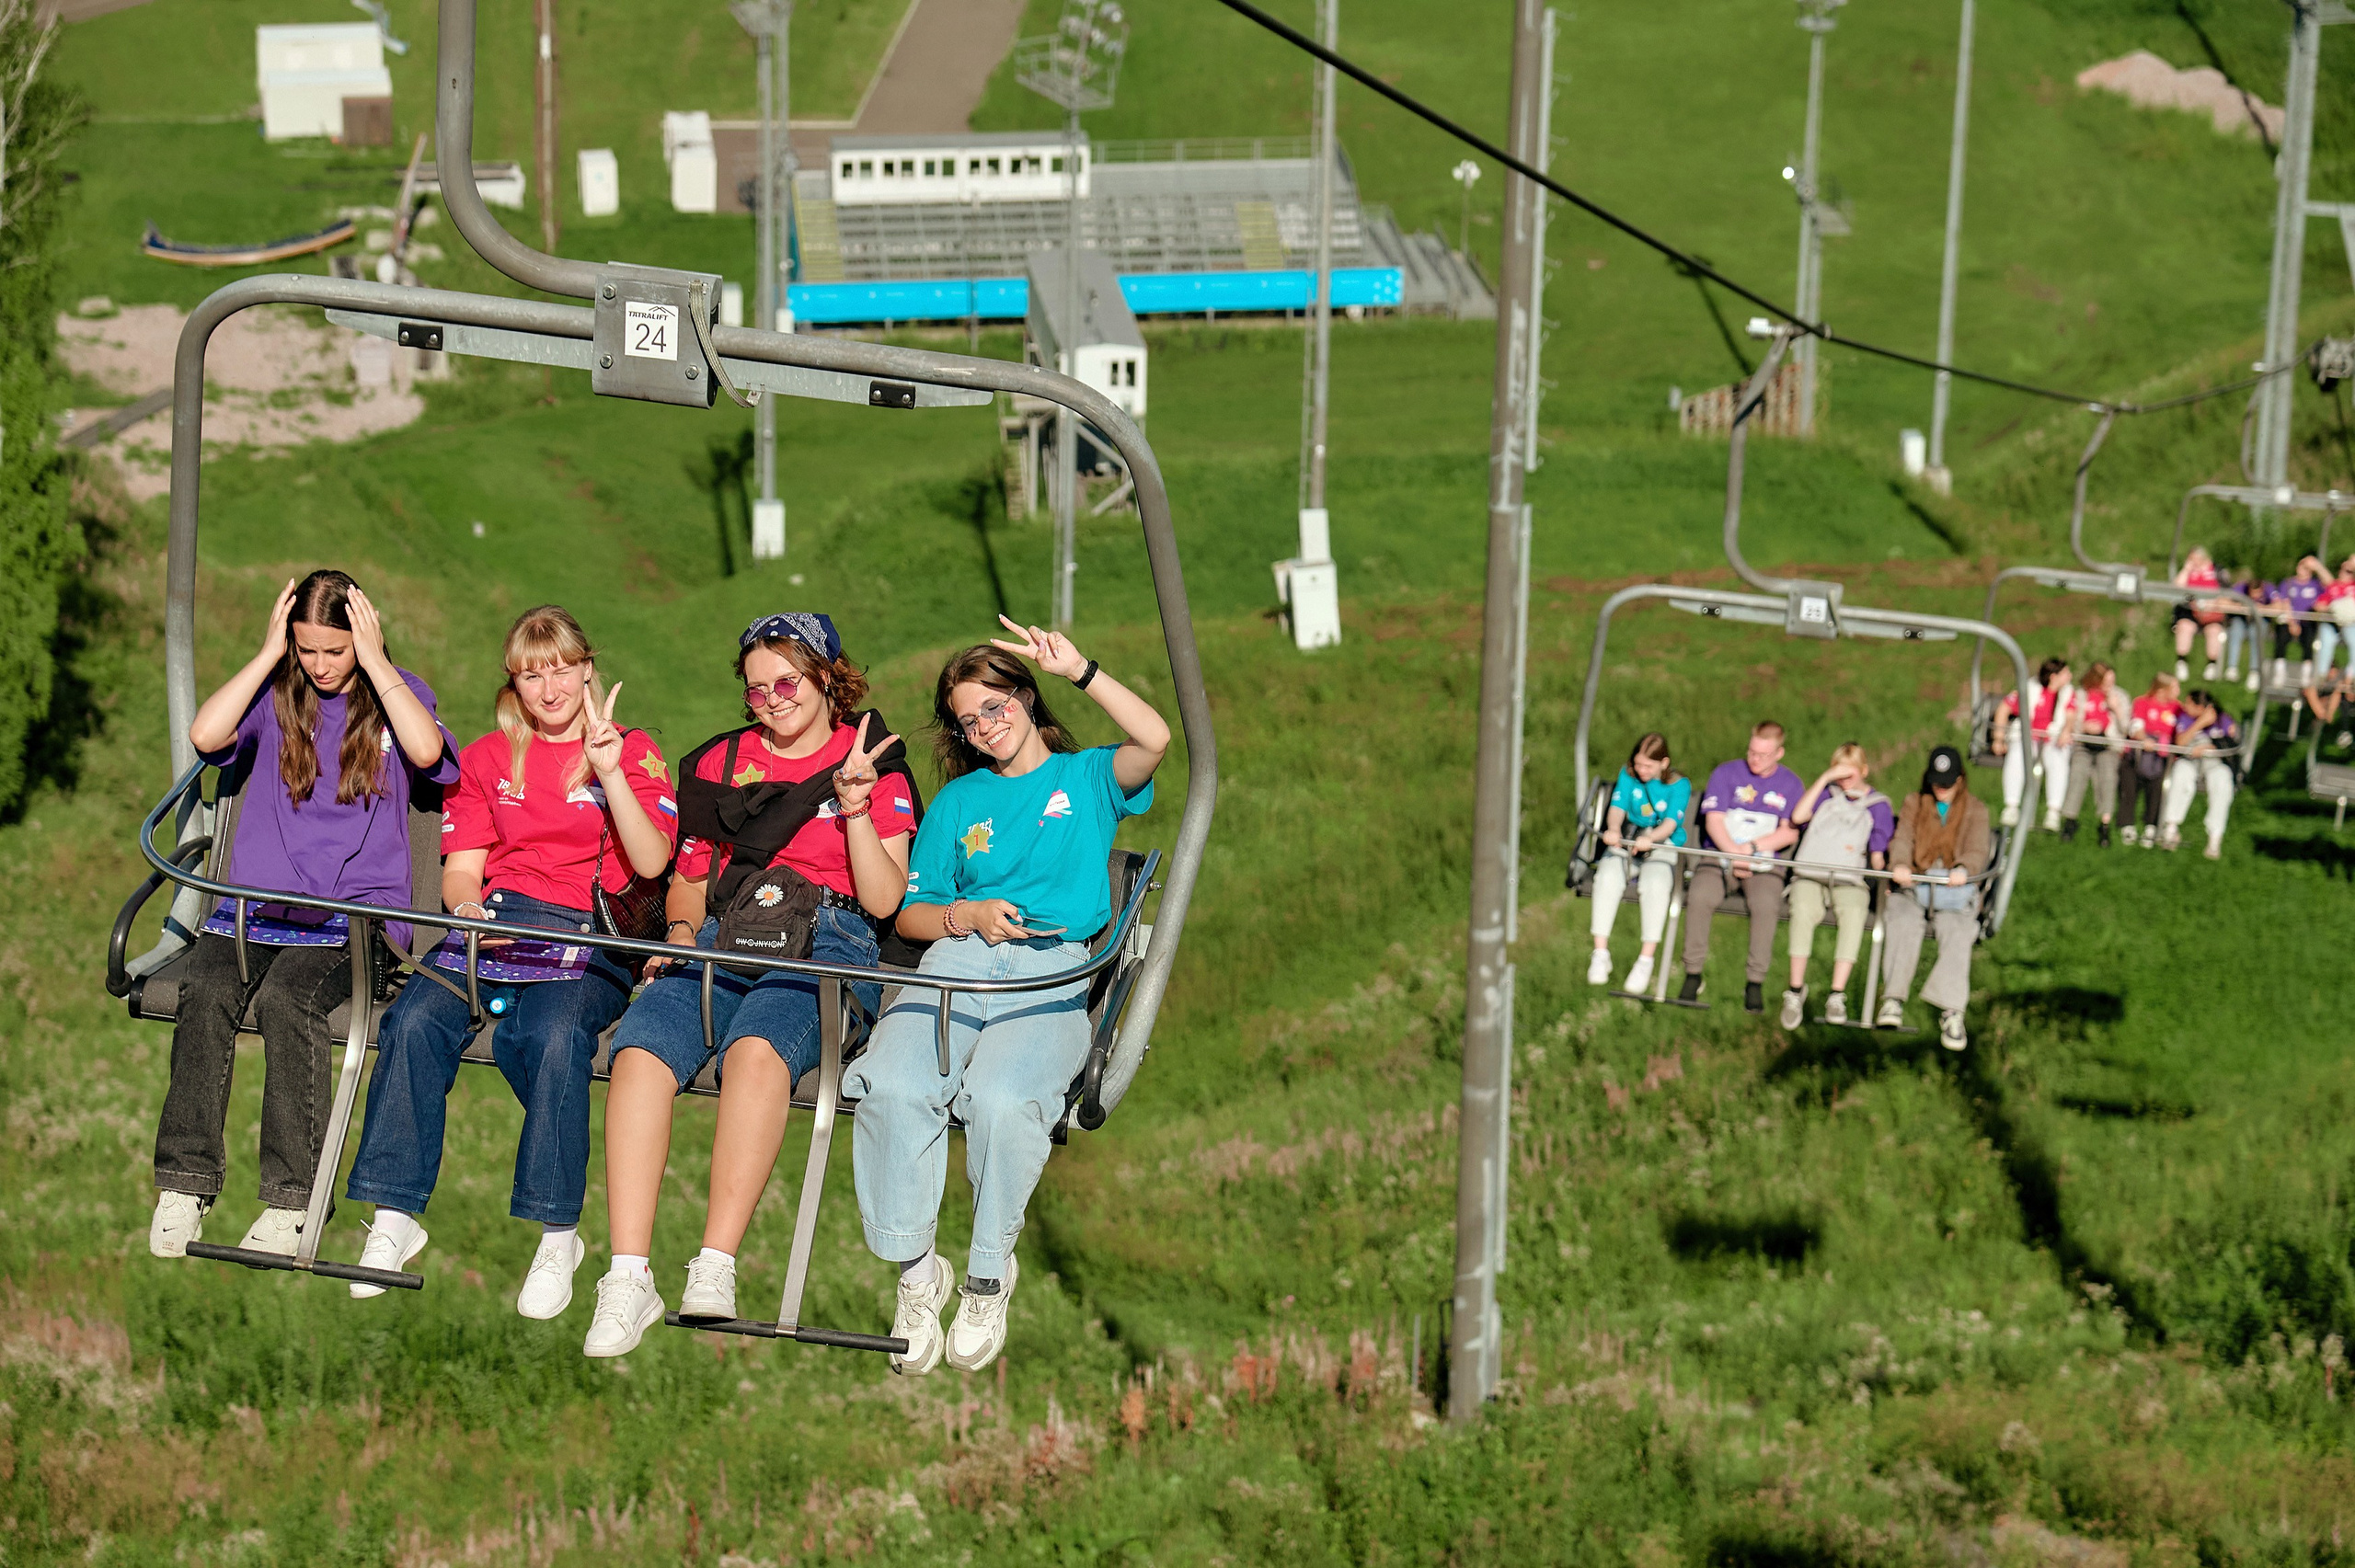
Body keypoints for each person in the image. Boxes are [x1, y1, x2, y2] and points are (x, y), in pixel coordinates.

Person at [582, 613, 918, 1357]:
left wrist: (856, 805)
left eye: (788, 682)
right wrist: (675, 936)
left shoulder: (871, 760)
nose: (773, 700)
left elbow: (886, 898)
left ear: (828, 676)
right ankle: (627, 1273)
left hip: (828, 934)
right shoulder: (723, 763)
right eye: (758, 690)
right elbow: (690, 881)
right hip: (729, 930)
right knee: (639, 1050)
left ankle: (716, 1261)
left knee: (757, 1051)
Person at [846, 618, 1168, 1377]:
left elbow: (1153, 739)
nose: (986, 727)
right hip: (960, 958)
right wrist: (967, 916)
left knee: (999, 1098)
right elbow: (912, 912)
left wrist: (1081, 668)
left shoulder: (1086, 778)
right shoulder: (961, 801)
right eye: (969, 720)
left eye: (995, 707)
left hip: (1049, 969)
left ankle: (988, 1275)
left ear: (1024, 697)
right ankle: (920, 1274)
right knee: (890, 1083)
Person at [344, 606, 677, 1312]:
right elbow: (464, 870)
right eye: (532, 673)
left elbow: (652, 860)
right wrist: (465, 911)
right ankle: (395, 1214)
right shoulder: (494, 758)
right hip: (499, 923)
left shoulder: (632, 748)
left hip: (593, 932)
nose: (549, 687)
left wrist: (610, 770)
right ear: (514, 683)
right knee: (414, 1020)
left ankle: (558, 1233)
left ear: (588, 667)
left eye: (561, 667)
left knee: (550, 1036)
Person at [150, 572, 457, 1261]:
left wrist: (377, 666)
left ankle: (292, 1201)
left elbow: (427, 752)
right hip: (259, 911)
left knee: (292, 998)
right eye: (307, 649)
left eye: (336, 650)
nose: (320, 666)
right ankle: (186, 1181)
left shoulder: (397, 694)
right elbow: (206, 732)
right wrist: (266, 654)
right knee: (205, 987)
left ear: (363, 639)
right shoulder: (276, 695)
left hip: (355, 920)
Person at [1676, 721, 1806, 1014]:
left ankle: (1755, 981)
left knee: (1765, 904)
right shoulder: (1726, 773)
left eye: (1763, 754)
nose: (1755, 759)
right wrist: (1734, 853)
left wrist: (1752, 849)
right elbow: (1714, 820)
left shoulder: (1790, 784)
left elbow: (1789, 832)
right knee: (1700, 896)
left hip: (1763, 863)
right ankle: (1693, 973)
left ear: (1779, 753)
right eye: (1751, 751)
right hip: (1720, 856)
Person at [1878, 745, 1990, 1051]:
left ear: (1960, 780)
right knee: (1901, 919)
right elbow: (1903, 838)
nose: (1941, 789)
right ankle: (1893, 998)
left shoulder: (1975, 810)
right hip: (1917, 883)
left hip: (1952, 889)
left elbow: (1978, 848)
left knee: (1958, 930)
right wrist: (1900, 863)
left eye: (1948, 782)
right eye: (1937, 782)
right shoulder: (1915, 803)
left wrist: (1965, 868)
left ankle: (1952, 1010)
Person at [1778, 743, 1891, 1029]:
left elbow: (1878, 852)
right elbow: (1799, 816)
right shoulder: (1825, 797)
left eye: (1849, 771)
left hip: (1849, 877)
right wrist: (1824, 779)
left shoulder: (1877, 806)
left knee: (1854, 912)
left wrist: (1883, 882)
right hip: (1811, 874)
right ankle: (1794, 989)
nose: (1843, 778)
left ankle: (1836, 993)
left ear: (1863, 771)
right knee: (1802, 908)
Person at [1585, 733, 1690, 996]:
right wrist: (1613, 829)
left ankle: (1645, 959)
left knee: (1656, 884)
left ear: (1663, 763)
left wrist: (1651, 838)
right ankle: (1600, 952)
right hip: (1628, 841)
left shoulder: (1679, 785)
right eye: (1638, 764)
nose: (1641, 771)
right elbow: (1618, 805)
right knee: (1607, 876)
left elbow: (1671, 822)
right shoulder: (1628, 775)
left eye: (1648, 767)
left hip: (1660, 844)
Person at [1990, 656, 2071, 830]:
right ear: (2054, 677)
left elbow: (2071, 716)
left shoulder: (2067, 693)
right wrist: (1999, 737)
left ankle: (2053, 811)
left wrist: (2066, 730)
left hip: (2052, 739)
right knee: (2017, 757)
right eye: (2065, 673)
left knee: (2058, 762)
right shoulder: (2029, 689)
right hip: (2027, 737)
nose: (2070, 676)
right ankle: (2011, 806)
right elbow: (2004, 709)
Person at [2157, 689, 2240, 859]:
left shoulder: (2222, 719)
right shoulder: (2186, 718)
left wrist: (2209, 748)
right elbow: (2180, 742)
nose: (2184, 706)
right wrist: (2200, 723)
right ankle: (2171, 827)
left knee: (2223, 781)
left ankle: (2214, 837)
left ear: (2200, 706)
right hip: (2191, 761)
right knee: (2181, 773)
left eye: (2188, 703)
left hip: (2215, 763)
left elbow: (2230, 744)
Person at [2057, 662, 2123, 847]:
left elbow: (2126, 728)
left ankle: (2105, 823)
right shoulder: (2080, 695)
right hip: (2083, 744)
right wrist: (2083, 728)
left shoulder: (2119, 696)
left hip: (2107, 745)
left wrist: (2116, 709)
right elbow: (2069, 720)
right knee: (2078, 773)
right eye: (2105, 681)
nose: (2109, 685)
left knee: (2108, 777)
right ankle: (2070, 819)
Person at [2118, 672, 2181, 848]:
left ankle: (2151, 825)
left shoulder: (2177, 708)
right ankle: (2127, 824)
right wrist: (2144, 738)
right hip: (2139, 754)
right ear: (2162, 690)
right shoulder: (2142, 702)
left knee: (2158, 787)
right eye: (2175, 687)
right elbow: (2136, 725)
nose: (2178, 691)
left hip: (2162, 757)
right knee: (2128, 782)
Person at [2170, 546, 2229, 681]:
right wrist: (2186, 569)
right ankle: (2181, 662)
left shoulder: (2217, 571)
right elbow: (2176, 589)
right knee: (2184, 626)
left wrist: (2214, 604)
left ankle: (2211, 665)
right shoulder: (2189, 571)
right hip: (2190, 609)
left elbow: (2227, 592)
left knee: (2214, 630)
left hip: (2212, 611)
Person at [2269, 555, 2328, 688]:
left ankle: (2306, 672)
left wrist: (2318, 566)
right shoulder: (2288, 583)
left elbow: (2331, 584)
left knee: (2309, 638)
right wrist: (2292, 623)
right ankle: (2279, 669)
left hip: (2307, 621)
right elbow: (2285, 603)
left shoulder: (2316, 585)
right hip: (2290, 619)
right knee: (2282, 634)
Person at [2311, 556, 2355, 692]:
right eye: (2343, 570)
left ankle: (2351, 675)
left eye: (2348, 571)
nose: (2344, 573)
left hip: (2350, 624)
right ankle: (2322, 674)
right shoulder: (2333, 587)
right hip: (2332, 623)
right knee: (2326, 639)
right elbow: (2318, 605)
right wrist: (2333, 607)